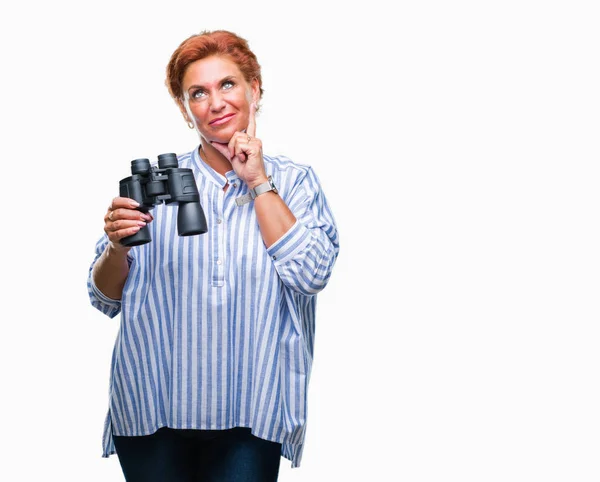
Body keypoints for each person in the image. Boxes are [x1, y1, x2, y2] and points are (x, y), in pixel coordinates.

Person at [87, 29, 339, 482]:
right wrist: (117, 246)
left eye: (228, 84)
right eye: (197, 93)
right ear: (186, 110)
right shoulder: (156, 185)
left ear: (254, 89)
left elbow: (311, 275)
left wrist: (259, 181)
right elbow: (104, 298)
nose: (215, 102)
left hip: (251, 407)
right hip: (151, 407)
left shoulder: (295, 183)